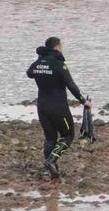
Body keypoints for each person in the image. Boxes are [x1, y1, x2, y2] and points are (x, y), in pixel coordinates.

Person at [26, 37, 91, 178]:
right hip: (58, 108)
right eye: (61, 45)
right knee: (68, 136)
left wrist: (40, 58)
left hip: (42, 107)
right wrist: (82, 101)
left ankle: (50, 169)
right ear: (57, 47)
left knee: (50, 138)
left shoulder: (38, 63)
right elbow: (71, 85)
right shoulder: (59, 64)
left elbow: (29, 73)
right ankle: (51, 161)